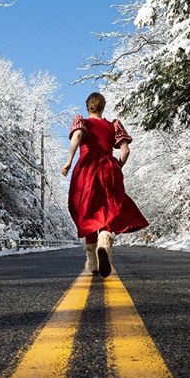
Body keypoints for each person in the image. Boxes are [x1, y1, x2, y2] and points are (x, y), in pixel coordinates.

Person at [61, 92, 148, 277]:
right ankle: (104, 238)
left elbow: (77, 136)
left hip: (86, 168)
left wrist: (69, 160)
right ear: (103, 107)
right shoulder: (114, 125)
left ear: (88, 107)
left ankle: (92, 261)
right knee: (107, 208)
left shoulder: (82, 121)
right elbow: (125, 150)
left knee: (85, 209)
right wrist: (118, 165)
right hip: (109, 168)